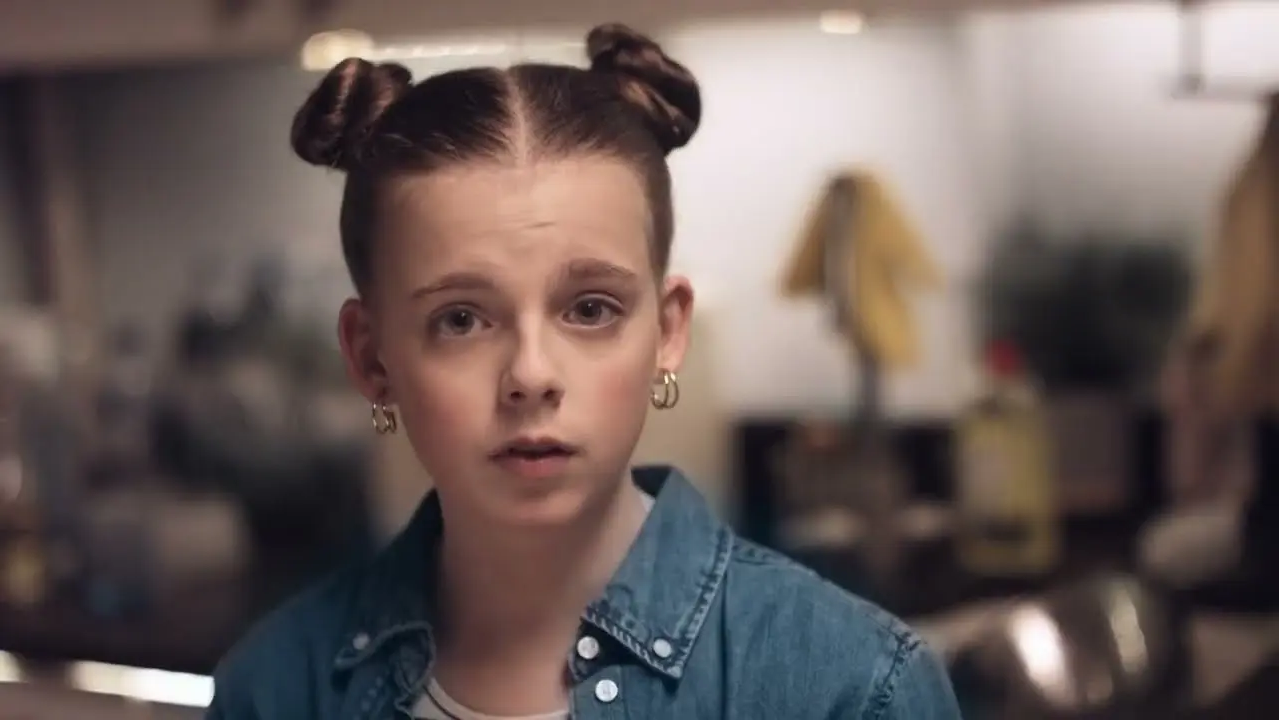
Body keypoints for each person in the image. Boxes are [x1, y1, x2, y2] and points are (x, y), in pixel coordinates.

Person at [205, 23, 961, 719]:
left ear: (666, 332)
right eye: (460, 319)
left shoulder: (851, 689)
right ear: (372, 360)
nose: (531, 375)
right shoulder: (274, 691)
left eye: (591, 309)